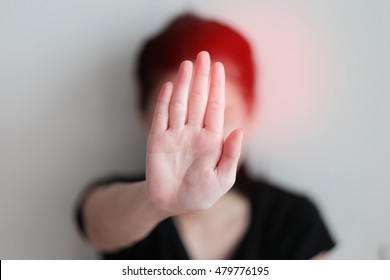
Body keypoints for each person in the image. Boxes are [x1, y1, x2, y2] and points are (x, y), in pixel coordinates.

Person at [75, 13, 335, 259]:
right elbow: (98, 224)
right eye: (179, 113)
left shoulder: (292, 219)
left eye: (219, 114)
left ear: (251, 112)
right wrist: (156, 203)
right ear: (143, 115)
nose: (199, 138)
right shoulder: (122, 203)